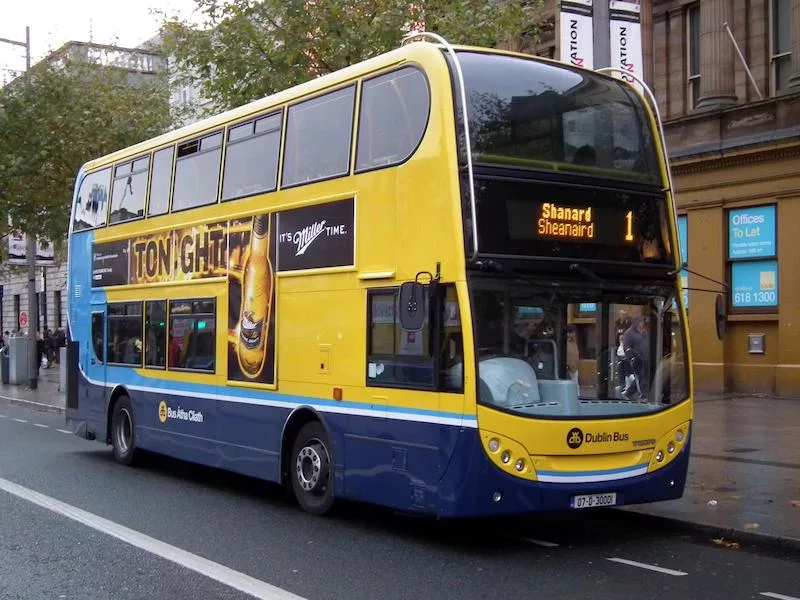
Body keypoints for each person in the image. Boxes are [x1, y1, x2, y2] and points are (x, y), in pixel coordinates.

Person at [622, 316, 650, 398]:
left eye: (642, 322)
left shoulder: (644, 332)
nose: (642, 324)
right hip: (636, 359)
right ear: (636, 323)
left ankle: (629, 392)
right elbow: (626, 347)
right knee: (640, 376)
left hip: (646, 358)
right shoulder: (628, 333)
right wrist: (631, 358)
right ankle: (642, 395)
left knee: (644, 376)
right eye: (640, 322)